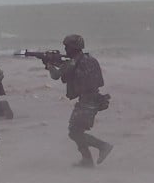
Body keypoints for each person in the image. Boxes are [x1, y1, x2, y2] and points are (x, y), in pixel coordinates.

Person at [45, 35, 113, 168]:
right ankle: (87, 160)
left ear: (73, 47)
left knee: (74, 132)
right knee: (76, 131)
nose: (65, 49)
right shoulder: (90, 59)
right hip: (95, 98)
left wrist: (49, 66)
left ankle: (102, 147)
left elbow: (56, 76)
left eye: (67, 47)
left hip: (87, 101)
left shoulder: (73, 63)